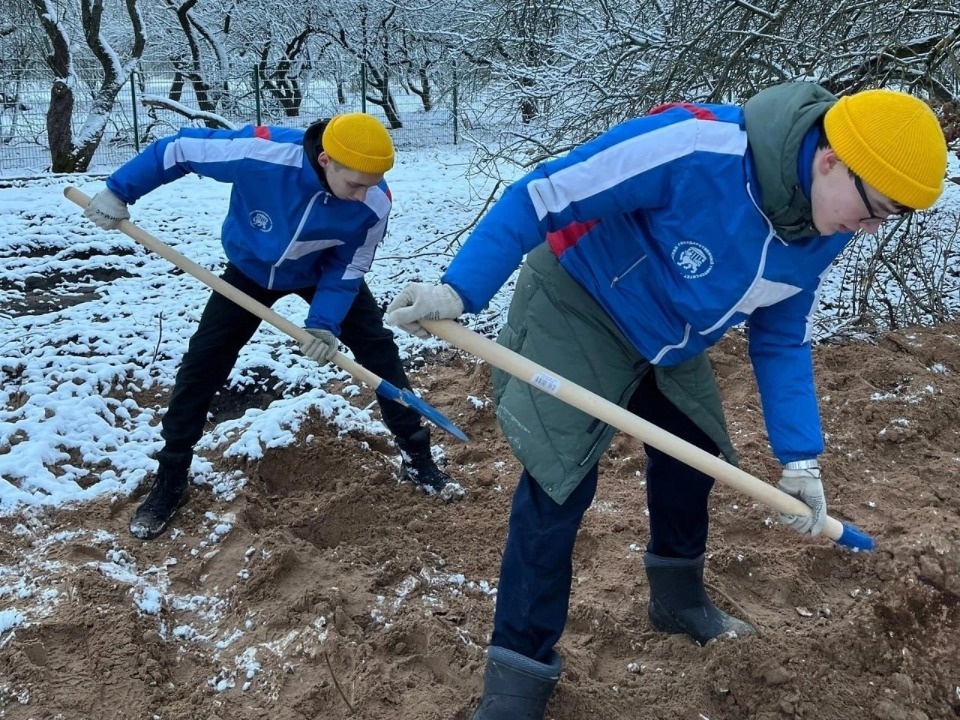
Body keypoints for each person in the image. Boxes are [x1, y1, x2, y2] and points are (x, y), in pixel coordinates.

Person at [385, 84, 948, 718]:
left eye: (888, 219)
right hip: (580, 300)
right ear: (830, 160)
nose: (869, 229)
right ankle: (518, 670)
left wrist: (801, 460)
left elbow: (781, 337)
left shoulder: (825, 226)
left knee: (695, 449)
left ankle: (676, 599)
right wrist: (460, 291)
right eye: (874, 209)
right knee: (560, 478)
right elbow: (543, 193)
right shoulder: (694, 146)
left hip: (668, 337)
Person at [83, 113, 457, 541]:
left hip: (320, 274)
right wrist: (118, 190)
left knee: (379, 352)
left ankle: (416, 454)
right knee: (204, 361)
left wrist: (323, 324)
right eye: (356, 183)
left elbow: (349, 266)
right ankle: (171, 475)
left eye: (372, 183)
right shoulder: (262, 153)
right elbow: (178, 150)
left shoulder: (373, 203)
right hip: (249, 271)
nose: (363, 194)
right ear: (324, 160)